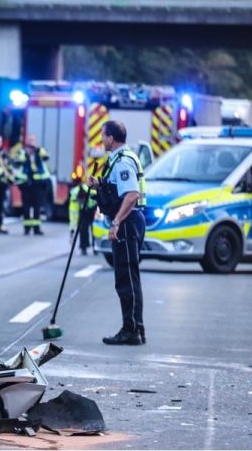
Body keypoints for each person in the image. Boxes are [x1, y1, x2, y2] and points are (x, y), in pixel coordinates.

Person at [87, 120, 147, 346]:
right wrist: (99, 185)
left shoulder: (122, 162)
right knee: (129, 277)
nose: (102, 140)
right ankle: (136, 328)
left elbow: (131, 195)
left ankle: (131, 330)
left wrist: (116, 223)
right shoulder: (120, 160)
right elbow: (118, 191)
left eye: (103, 135)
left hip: (127, 223)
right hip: (129, 222)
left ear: (111, 138)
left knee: (126, 279)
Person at [13, 134, 50, 235]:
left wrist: (37, 150)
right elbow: (17, 162)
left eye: (33, 140)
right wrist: (26, 154)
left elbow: (46, 157)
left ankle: (37, 227)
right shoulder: (22, 152)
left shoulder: (40, 151)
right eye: (29, 140)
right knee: (26, 206)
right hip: (26, 183)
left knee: (37, 206)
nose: (31, 142)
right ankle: (27, 227)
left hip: (38, 183)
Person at [69, 174, 96, 255]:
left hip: (93, 209)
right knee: (83, 227)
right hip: (83, 211)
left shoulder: (93, 194)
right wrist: (72, 229)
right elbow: (73, 215)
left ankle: (96, 247)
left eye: (82, 201)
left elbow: (99, 206)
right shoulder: (74, 195)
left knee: (95, 228)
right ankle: (83, 247)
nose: (81, 202)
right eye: (79, 201)